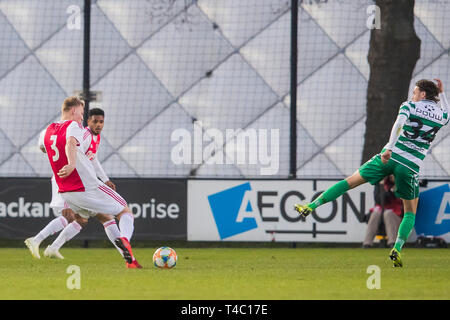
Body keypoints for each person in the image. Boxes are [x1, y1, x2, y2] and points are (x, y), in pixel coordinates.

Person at [295, 79, 449, 267]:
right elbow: (447, 112)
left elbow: (398, 124)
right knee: (410, 212)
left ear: (423, 94)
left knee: (350, 181)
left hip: (390, 156)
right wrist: (442, 93)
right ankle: (397, 248)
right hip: (410, 166)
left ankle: (311, 206)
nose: (413, 95)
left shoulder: (409, 106)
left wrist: (389, 148)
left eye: (415, 92)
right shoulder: (441, 115)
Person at [36, 97, 141, 268]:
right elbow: (71, 145)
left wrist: (105, 178)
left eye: (101, 122)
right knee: (124, 211)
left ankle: (130, 260)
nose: (98, 125)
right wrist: (71, 164)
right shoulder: (81, 132)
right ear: (83, 118)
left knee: (97, 219)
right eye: (93, 120)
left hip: (70, 188)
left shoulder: (60, 132)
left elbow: (92, 159)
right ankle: (125, 241)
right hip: (83, 185)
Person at [362, 175, 403, 248]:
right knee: (375, 213)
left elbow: (400, 199)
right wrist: (383, 186)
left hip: (397, 212)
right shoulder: (380, 184)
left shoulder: (400, 183)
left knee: (388, 213)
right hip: (382, 210)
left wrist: (394, 185)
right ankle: (367, 243)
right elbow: (378, 200)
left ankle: (392, 242)